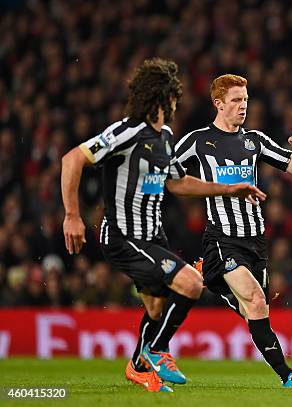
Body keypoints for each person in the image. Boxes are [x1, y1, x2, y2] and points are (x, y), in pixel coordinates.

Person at [61, 59, 266, 393]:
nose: (176, 104)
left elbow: (177, 182)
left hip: (153, 236)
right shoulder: (127, 131)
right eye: (174, 97)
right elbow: (73, 159)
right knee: (190, 283)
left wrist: (230, 188)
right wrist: (72, 215)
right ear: (163, 97)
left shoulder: (166, 136)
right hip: (124, 235)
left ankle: (138, 366)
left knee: (156, 309)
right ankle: (156, 350)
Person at [175, 74, 292, 388]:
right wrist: (219, 190)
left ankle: (211, 278)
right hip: (222, 237)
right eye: (236, 100)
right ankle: (287, 375)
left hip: (255, 241)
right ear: (218, 103)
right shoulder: (198, 141)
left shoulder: (255, 140)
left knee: (256, 307)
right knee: (254, 299)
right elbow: (171, 179)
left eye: (245, 101)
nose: (242, 107)